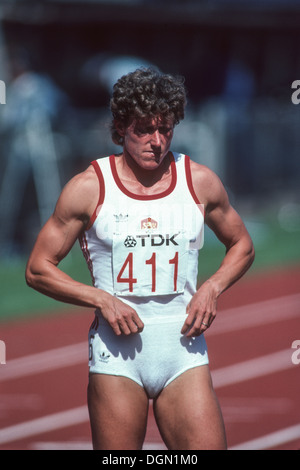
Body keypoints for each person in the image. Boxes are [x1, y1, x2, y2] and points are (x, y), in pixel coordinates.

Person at [26, 68, 255, 450]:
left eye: (165, 129)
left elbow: (242, 245)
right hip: (117, 358)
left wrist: (212, 287)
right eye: (145, 130)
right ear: (120, 127)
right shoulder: (89, 187)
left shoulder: (197, 181)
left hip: (183, 353)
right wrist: (101, 298)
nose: (157, 141)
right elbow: (37, 268)